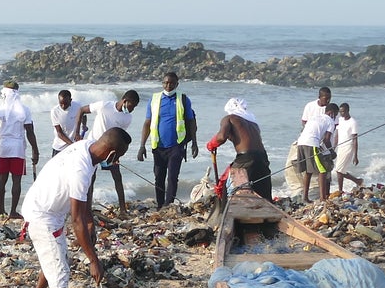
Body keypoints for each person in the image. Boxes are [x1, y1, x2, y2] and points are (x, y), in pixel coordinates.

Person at [20, 129, 131, 288]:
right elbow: (76, 220)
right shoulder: (81, 167)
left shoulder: (88, 148)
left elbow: (84, 203)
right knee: (60, 272)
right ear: (110, 154)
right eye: (118, 157)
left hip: (48, 208)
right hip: (43, 215)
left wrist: (90, 220)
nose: (117, 161)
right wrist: (93, 260)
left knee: (55, 259)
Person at [135, 71, 197, 208]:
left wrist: (194, 143)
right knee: (159, 177)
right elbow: (147, 122)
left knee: (172, 177)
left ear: (177, 84)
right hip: (158, 146)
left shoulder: (183, 99)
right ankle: (160, 204)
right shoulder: (154, 99)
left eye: (171, 83)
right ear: (162, 83)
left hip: (177, 145)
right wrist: (142, 146)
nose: (168, 85)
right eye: (165, 82)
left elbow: (191, 122)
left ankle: (168, 205)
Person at [205, 98, 271, 198]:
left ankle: (226, 207)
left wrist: (212, 143)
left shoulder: (229, 118)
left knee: (226, 186)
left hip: (246, 158)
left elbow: (221, 137)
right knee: (263, 191)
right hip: (263, 157)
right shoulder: (253, 123)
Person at [0, 81, 38, 217]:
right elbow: (30, 131)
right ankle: (12, 212)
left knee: (2, 180)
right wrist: (35, 150)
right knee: (16, 181)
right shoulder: (24, 110)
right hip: (18, 149)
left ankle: (0, 210)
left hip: (3, 148)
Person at [85, 91, 139, 209]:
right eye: (132, 106)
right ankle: (87, 207)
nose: (132, 110)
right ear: (125, 101)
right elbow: (82, 110)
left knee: (117, 177)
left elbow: (120, 136)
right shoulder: (104, 106)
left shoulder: (127, 118)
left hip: (110, 150)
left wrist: (117, 156)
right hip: (94, 146)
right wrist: (79, 132)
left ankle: (122, 209)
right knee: (91, 178)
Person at [290, 100, 337, 202]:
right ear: (332, 113)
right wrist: (332, 152)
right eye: (335, 115)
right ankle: (322, 198)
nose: (335, 117)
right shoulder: (330, 121)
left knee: (308, 171)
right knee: (323, 170)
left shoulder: (315, 117)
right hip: (311, 143)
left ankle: (305, 197)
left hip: (301, 142)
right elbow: (326, 140)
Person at [332, 103, 362, 194]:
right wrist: (333, 148)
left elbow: (355, 140)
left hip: (348, 147)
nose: (341, 113)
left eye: (343, 111)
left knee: (339, 170)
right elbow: (337, 135)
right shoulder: (339, 120)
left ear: (348, 111)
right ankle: (358, 181)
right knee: (341, 170)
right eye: (340, 112)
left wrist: (355, 155)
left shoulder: (353, 122)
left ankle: (340, 190)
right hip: (340, 147)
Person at [50, 89, 87, 154]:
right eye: (61, 104)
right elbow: (59, 133)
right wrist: (72, 145)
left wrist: (84, 125)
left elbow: (83, 116)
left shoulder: (78, 106)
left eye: (65, 104)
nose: (63, 106)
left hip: (73, 148)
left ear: (70, 100)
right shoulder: (55, 111)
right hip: (59, 148)